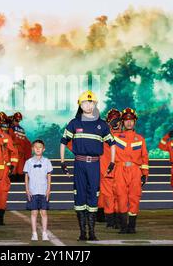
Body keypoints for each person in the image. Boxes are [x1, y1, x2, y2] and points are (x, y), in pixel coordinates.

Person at [60, 90, 115, 241]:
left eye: (91, 102)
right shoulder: (74, 123)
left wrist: (112, 161)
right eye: (85, 102)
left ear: (95, 104)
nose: (88, 105)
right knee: (79, 196)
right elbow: (63, 142)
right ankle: (82, 233)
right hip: (79, 163)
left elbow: (112, 144)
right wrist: (63, 162)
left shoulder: (102, 125)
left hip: (94, 165)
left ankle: (92, 232)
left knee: (93, 196)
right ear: (80, 105)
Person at [112, 108, 149, 234]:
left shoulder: (140, 139)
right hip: (120, 169)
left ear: (135, 122)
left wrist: (145, 174)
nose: (129, 123)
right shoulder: (115, 137)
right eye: (126, 120)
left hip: (135, 170)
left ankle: (132, 226)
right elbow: (104, 136)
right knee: (121, 197)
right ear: (122, 122)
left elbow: (144, 157)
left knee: (134, 198)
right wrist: (111, 125)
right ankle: (123, 226)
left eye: (131, 120)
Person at [0, 111, 18, 225]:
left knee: (2, 194)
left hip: (3, 171)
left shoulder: (6, 137)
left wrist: (13, 165)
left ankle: (0, 217)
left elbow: (14, 152)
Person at [24, 140, 53, 241]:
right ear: (32, 149)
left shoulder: (47, 161)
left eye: (40, 147)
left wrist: (48, 189)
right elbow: (26, 177)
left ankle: (44, 233)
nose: (37, 149)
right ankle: (34, 233)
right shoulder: (29, 162)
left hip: (43, 191)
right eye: (35, 147)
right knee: (34, 213)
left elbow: (49, 176)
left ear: (43, 149)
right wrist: (27, 189)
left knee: (44, 212)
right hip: (33, 191)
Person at [99, 109, 121, 227]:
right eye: (113, 120)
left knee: (120, 196)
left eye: (117, 120)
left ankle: (118, 220)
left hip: (120, 171)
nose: (116, 123)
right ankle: (110, 221)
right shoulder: (104, 133)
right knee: (107, 197)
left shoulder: (125, 134)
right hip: (106, 170)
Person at [9, 112, 32, 182]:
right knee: (17, 169)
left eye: (18, 120)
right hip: (16, 152)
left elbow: (26, 142)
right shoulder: (18, 129)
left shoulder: (12, 128)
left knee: (18, 169)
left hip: (17, 152)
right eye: (16, 120)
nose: (17, 122)